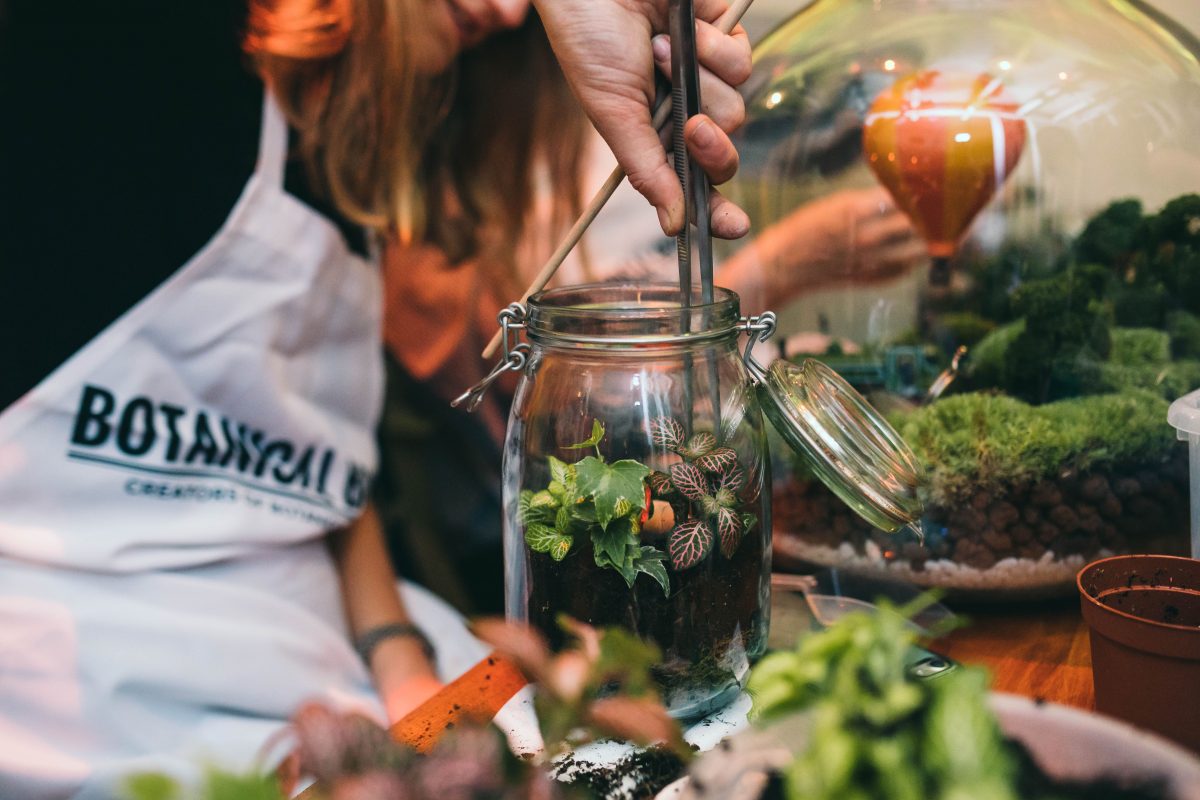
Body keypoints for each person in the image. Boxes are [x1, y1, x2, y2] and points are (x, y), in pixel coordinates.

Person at [0, 0, 751, 796]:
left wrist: (398, 657)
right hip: (80, 682)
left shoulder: (342, 173)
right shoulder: (128, 64)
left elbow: (317, 470)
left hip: (327, 646)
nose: (503, 11)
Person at [378, 9, 923, 612]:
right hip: (546, 560)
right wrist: (777, 267)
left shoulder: (538, 83)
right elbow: (574, 382)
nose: (511, 10)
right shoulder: (420, 145)